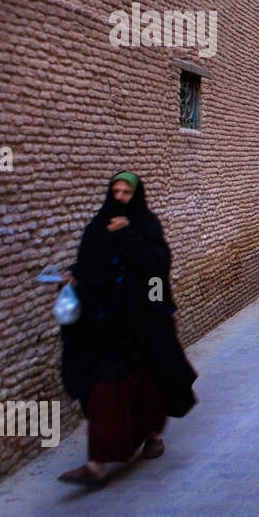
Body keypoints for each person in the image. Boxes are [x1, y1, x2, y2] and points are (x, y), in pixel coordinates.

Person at [58, 171, 197, 486]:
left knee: (148, 385)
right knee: (104, 389)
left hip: (143, 325)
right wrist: (73, 277)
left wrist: (128, 236)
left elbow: (156, 269)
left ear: (136, 195)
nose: (120, 197)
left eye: (126, 192)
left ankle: (151, 435)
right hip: (106, 327)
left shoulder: (146, 226)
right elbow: (90, 266)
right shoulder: (97, 227)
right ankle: (96, 463)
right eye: (116, 191)